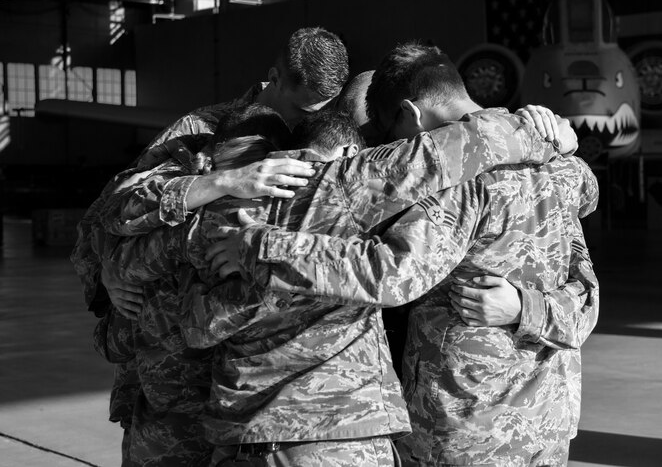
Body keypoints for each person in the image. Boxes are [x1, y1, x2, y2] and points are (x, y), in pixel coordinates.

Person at [106, 85, 576, 466]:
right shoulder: (341, 188)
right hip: (353, 432)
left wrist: (119, 276)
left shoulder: (196, 226)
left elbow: (160, 293)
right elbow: (445, 155)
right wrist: (549, 135)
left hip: (263, 432)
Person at [214, 42, 600, 467]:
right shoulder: (558, 163)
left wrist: (260, 248)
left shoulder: (460, 184)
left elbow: (391, 273)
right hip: (548, 421)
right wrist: (529, 309)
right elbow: (585, 294)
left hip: (465, 425)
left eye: (392, 135)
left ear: (411, 114)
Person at [71, 26, 348, 466]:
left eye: (318, 109)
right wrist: (222, 180)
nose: (301, 122)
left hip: (281, 395)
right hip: (178, 382)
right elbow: (107, 215)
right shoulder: (201, 130)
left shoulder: (332, 136)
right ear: (273, 78)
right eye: (298, 107)